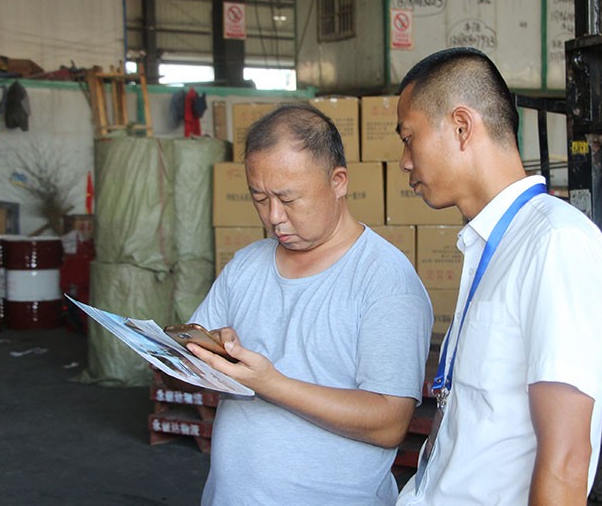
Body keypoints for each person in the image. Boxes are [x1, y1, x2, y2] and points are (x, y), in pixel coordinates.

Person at [394, 48, 602, 505]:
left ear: (461, 127)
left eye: (409, 138)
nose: (405, 161)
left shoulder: (556, 243)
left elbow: (567, 457)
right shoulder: (491, 246)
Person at [185, 103, 433, 505]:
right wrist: (208, 350)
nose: (273, 217)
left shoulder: (385, 280)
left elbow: (389, 422)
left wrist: (272, 385)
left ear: (338, 181)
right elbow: (193, 361)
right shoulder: (247, 265)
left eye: (289, 199)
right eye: (259, 198)